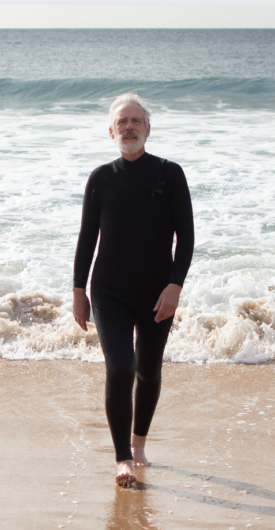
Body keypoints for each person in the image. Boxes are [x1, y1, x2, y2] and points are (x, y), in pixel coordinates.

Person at [72, 93, 194, 487]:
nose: (129, 127)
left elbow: (186, 237)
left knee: (148, 369)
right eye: (122, 122)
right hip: (109, 291)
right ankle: (122, 458)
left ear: (147, 129)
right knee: (121, 367)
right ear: (111, 131)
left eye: (136, 121)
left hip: (158, 292)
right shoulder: (101, 179)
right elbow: (86, 240)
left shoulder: (169, 174)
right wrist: (79, 291)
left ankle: (139, 445)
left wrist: (175, 286)